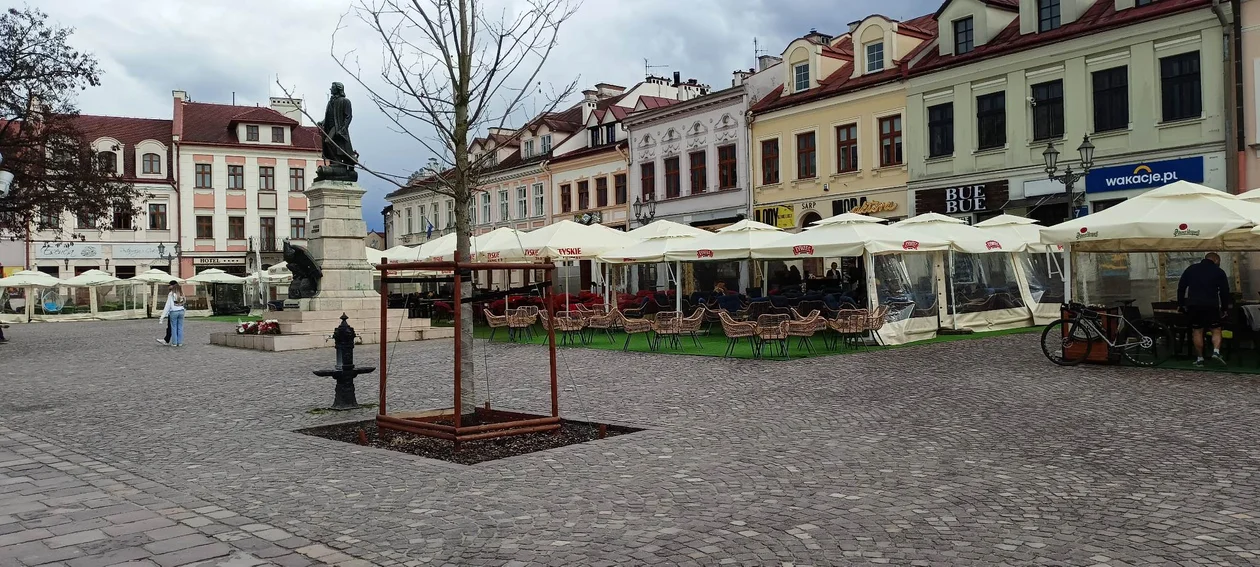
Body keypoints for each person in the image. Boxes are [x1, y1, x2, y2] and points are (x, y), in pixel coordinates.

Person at [1178, 252, 1231, 367]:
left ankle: (1200, 358)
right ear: (1216, 260)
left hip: (1194, 305)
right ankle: (1216, 352)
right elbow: (1224, 292)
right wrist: (1225, 308)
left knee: (1197, 331)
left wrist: (1181, 304)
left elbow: (1181, 287)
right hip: (1211, 305)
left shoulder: (1191, 269)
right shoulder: (1219, 272)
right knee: (1216, 329)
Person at [159, 281, 187, 347]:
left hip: (174, 311)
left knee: (173, 327)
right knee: (180, 327)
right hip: (181, 311)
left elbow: (167, 305)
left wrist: (162, 316)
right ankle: (180, 342)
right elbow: (184, 301)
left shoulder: (171, 294)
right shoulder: (181, 293)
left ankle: (174, 342)